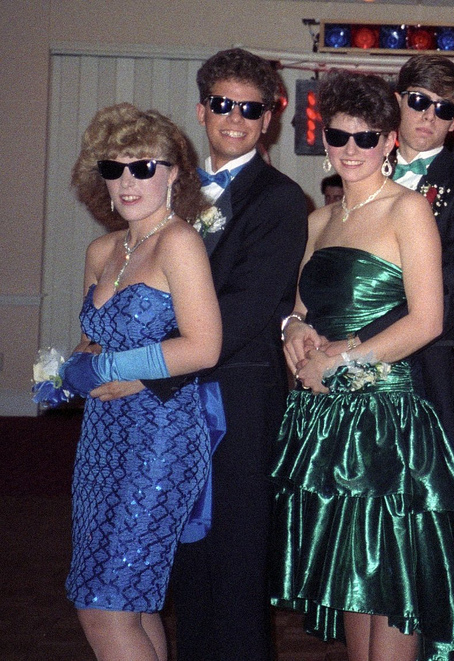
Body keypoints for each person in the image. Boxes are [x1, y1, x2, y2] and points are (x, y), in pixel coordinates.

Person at [273, 70, 454, 661]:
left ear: (389, 141)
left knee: (390, 586)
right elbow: (303, 312)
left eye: (366, 138)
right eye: (340, 137)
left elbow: (427, 321)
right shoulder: (318, 221)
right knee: (352, 593)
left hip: (387, 424)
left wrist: (344, 361)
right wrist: (293, 331)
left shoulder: (407, 210)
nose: (351, 150)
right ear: (325, 140)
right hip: (322, 425)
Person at [138, 48, 307, 661]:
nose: (234, 119)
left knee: (235, 567)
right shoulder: (168, 193)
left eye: (249, 109)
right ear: (201, 109)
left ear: (269, 119)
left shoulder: (282, 201)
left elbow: (244, 311)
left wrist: (139, 372)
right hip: (170, 403)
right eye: (222, 105)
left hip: (234, 401)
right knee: (182, 565)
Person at [61, 103, 222, 661]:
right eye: (115, 167)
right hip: (102, 436)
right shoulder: (102, 251)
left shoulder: (179, 241)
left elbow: (204, 347)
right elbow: (93, 341)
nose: (128, 181)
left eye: (143, 167)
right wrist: (75, 368)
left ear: (174, 173)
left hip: (160, 436)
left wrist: (113, 370)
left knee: (104, 607)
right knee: (127, 601)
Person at [347, 53, 454, 456]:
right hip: (347, 356)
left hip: (426, 371)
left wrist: (359, 341)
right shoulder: (360, 170)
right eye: (418, 101)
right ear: (397, 101)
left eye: (444, 108)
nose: (429, 115)